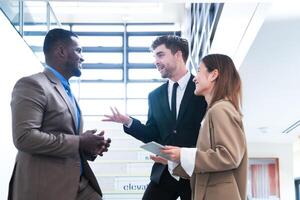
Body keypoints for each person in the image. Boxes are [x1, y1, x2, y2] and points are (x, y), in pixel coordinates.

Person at [8, 28, 111, 200]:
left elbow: (66, 139)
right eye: (78, 50)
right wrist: (79, 141)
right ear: (61, 51)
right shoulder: (33, 85)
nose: (82, 57)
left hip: (77, 184)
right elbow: (24, 137)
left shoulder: (65, 89)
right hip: (47, 187)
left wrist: (89, 146)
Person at [103, 35, 207, 200]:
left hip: (195, 173)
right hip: (164, 172)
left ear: (178, 55)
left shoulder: (202, 88)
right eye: (154, 57)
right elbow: (151, 134)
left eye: (160, 55)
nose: (156, 61)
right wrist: (128, 122)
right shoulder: (155, 96)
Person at [152, 54, 248, 200]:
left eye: (198, 71)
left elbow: (229, 156)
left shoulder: (220, 109)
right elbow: (208, 166)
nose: (194, 78)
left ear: (213, 75)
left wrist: (182, 154)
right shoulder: (215, 110)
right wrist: (172, 160)